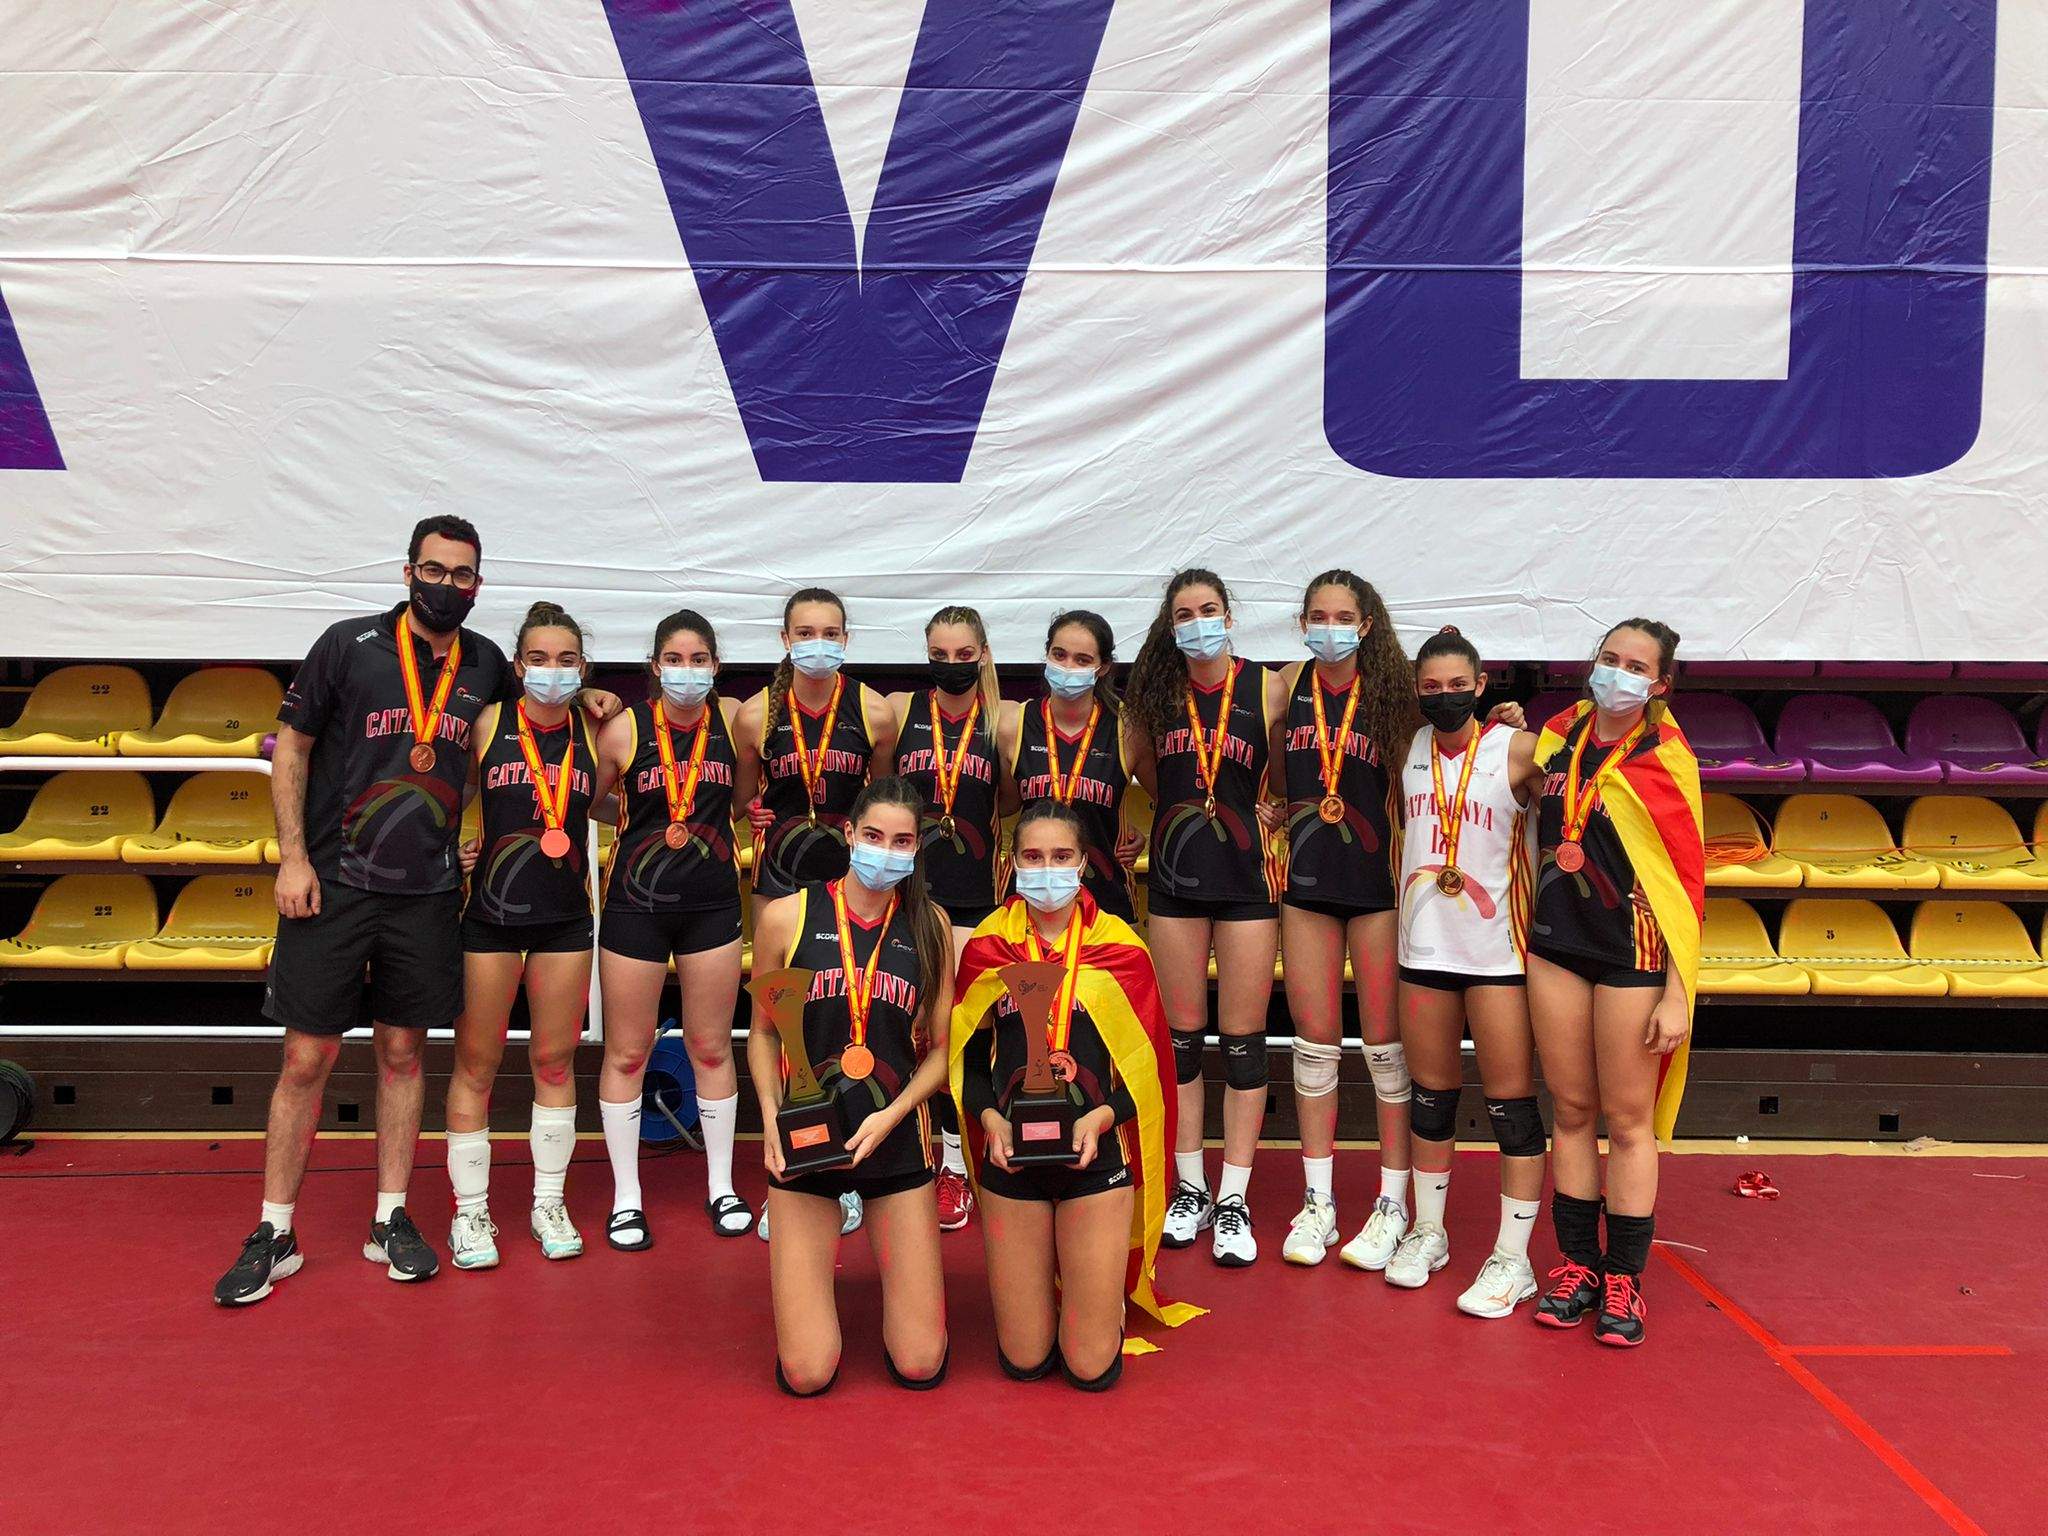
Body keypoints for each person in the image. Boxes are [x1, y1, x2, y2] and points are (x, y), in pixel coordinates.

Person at [213, 515, 616, 1305]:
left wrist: (594, 694)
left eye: (463, 574)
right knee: (306, 1059)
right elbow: (290, 746)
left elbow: (526, 742)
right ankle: (274, 1229)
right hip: (333, 879)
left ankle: (390, 1218)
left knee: (403, 1054)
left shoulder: (489, 664)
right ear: (407, 573)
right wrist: (292, 857)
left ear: (478, 585)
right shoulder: (347, 645)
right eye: (434, 570)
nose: (447, 585)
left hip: (428, 892)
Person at [949, 803, 1199, 1388]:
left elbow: (1149, 1073)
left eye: (1061, 857)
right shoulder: (987, 948)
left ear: (1084, 864)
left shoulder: (1123, 949)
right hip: (1012, 1159)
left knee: (1090, 1366)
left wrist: (1104, 1118)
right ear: (1012, 865)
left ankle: (1094, 1303)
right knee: (1025, 1360)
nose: (1047, 870)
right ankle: (1059, 1300)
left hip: (1096, 1157)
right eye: (1033, 858)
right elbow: (963, 1058)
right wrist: (989, 1118)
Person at [1525, 620, 1704, 1347]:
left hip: (1631, 953)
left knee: (1627, 1122)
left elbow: (1686, 883)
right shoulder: (1557, 735)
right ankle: (1577, 1266)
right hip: (1556, 945)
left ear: (1659, 685)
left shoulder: (1667, 756)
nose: (1618, 674)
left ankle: (1625, 1276)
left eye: (1636, 666)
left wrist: (1678, 990)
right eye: (1609, 659)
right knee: (1569, 1111)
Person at [747, 778, 955, 1394]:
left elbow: (940, 1054)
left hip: (894, 1141)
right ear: (848, 835)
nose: (885, 851)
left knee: (920, 1361)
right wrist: (768, 1122)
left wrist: (891, 1117)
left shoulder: (932, 926)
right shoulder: (787, 917)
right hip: (807, 1140)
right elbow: (762, 1035)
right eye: (873, 836)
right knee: (807, 1374)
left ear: (917, 850)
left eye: (901, 841)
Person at [444, 601, 617, 1267]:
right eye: (539, 659)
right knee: (477, 1064)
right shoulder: (487, 725)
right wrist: (453, 846)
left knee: (553, 1062)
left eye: (566, 660)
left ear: (583, 667)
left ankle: (549, 1202)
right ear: (518, 666)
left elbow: (600, 801)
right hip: (489, 916)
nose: (553, 670)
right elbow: (448, 795)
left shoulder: (594, 730)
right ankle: (472, 1214)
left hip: (565, 919)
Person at [1385, 626, 1549, 1315]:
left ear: (1482, 687)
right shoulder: (1406, 746)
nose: (1445, 697)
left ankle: (1513, 1259)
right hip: (1424, 949)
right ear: (1417, 693)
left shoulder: (1517, 749)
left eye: (1459, 686)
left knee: (1512, 1108)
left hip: (1497, 955)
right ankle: (1429, 1232)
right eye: (1432, 687)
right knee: (1431, 1100)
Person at [1123, 569, 1280, 1266]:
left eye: (1208, 609)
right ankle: (1191, 1186)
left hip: (1247, 877)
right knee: (1182, 1040)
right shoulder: (1155, 694)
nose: (1197, 623)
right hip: (1178, 874)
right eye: (1184, 613)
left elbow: (1288, 769)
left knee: (1243, 1041)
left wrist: (1265, 808)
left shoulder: (1267, 686)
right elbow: (1152, 780)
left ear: (1229, 615)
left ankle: (1236, 1194)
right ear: (1170, 624)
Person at [1264, 570, 1418, 1268]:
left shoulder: (1395, 693)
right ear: (1302, 622)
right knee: (1315, 1045)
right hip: (1308, 884)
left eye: (1344, 615)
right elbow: (1273, 775)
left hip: (1378, 886)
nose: (1330, 626)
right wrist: (1272, 809)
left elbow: (1443, 758)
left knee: (1386, 1050)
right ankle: (1319, 1201)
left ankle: (1393, 1202)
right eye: (1318, 614)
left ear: (1366, 623)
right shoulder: (1285, 685)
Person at [591, 610, 757, 1248]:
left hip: (712, 903)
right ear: (655, 666)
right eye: (674, 660)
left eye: (699, 660)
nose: (687, 672)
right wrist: (639, 815)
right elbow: (589, 799)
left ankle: (721, 1186)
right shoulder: (623, 729)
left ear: (715, 666)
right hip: (636, 903)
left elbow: (741, 799)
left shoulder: (733, 722)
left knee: (711, 1048)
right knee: (627, 1052)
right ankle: (626, 1197)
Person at [889, 606, 1012, 1233]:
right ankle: (915, 1155)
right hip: (910, 898)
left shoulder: (1006, 722)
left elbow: (1020, 797)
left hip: (977, 900)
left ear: (984, 655)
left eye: (965, 655)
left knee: (966, 1035)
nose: (952, 664)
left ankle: (962, 1165)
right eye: (941, 653)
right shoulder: (897, 712)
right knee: (912, 1034)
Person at [999, 609, 1142, 924]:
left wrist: (1143, 836)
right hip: (1028, 897)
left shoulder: (1127, 728)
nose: (1067, 667)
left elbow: (1172, 792)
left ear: (1102, 667)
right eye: (1059, 655)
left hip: (1106, 900)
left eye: (1082, 660)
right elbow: (1006, 805)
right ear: (1047, 654)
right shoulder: (1014, 724)